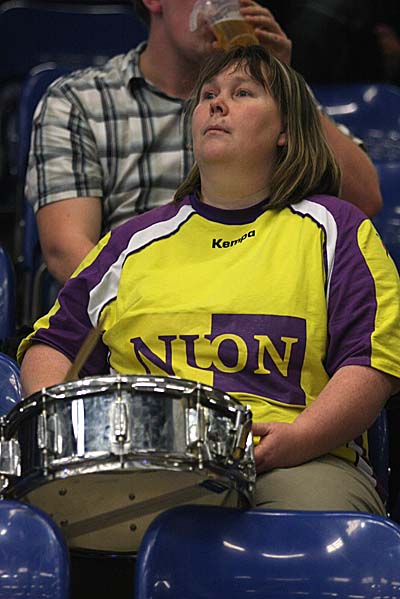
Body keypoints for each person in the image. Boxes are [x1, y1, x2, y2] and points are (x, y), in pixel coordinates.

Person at [20, 42, 400, 512]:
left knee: (312, 529)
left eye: (243, 93)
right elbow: (54, 345)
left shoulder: (337, 229)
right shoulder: (131, 241)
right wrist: (63, 436)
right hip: (144, 461)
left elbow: (371, 362)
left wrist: (300, 438)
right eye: (208, 95)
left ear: (285, 130)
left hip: (296, 459)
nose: (217, 104)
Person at [25, 0, 383, 287]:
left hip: (264, 302)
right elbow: (66, 251)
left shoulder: (272, 97)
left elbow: (364, 199)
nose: (223, 5)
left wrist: (283, 82)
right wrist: (159, 310)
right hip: (136, 306)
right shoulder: (78, 99)